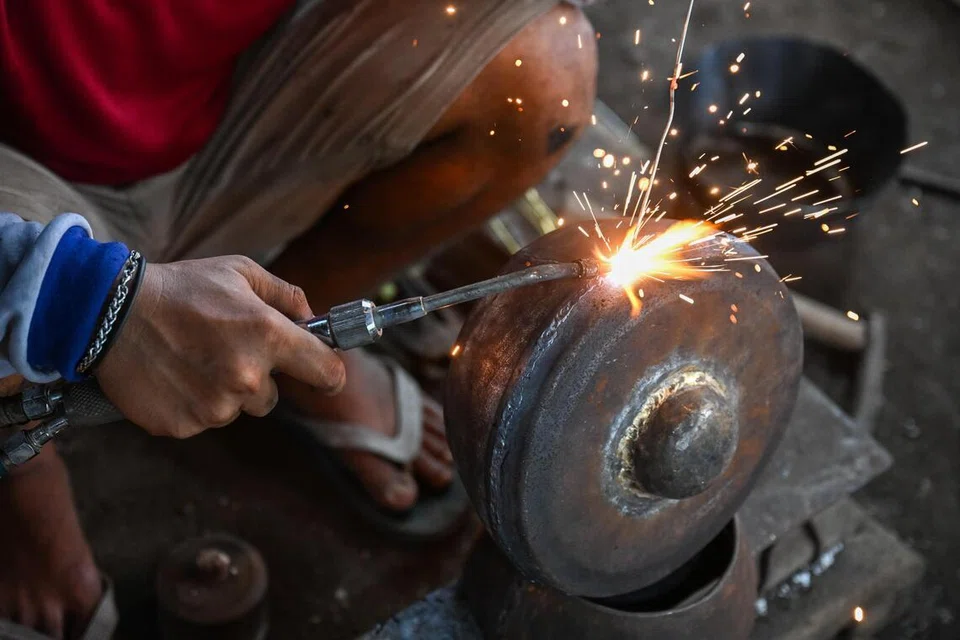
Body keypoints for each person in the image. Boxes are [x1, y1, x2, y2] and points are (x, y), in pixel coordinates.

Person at [0, 0, 597, 637]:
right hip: (18, 167)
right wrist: (85, 296)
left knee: (543, 64)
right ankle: (20, 460)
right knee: (27, 317)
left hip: (201, 116)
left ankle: (291, 331)